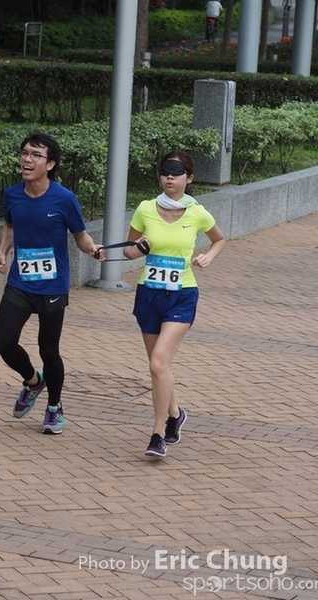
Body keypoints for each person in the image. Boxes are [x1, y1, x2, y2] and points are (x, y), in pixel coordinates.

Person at [0, 132, 103, 435]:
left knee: (48, 349)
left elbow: (80, 236)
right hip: (20, 282)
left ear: (50, 164)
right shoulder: (12, 194)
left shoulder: (64, 199)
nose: (27, 160)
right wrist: (2, 252)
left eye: (35, 155)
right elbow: (9, 225)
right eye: (24, 153)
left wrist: (92, 249)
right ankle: (33, 381)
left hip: (53, 286)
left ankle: (54, 406)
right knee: (5, 342)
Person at [123, 150, 226, 458]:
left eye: (176, 172)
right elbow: (129, 251)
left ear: (188, 178)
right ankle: (176, 414)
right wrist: (140, 248)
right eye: (165, 171)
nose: (169, 177)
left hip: (182, 294)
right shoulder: (145, 208)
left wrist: (209, 256)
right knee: (159, 368)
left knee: (158, 363)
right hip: (149, 294)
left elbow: (220, 239)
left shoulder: (197, 213)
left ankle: (158, 435)